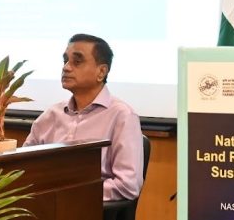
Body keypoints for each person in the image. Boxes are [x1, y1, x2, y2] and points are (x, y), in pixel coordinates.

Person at [24, 34, 144, 201]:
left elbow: (127, 185)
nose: (66, 67)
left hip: (91, 215)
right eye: (65, 60)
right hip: (44, 210)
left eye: (77, 61)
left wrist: (70, 194)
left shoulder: (122, 117)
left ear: (101, 71)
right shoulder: (50, 116)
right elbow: (22, 171)